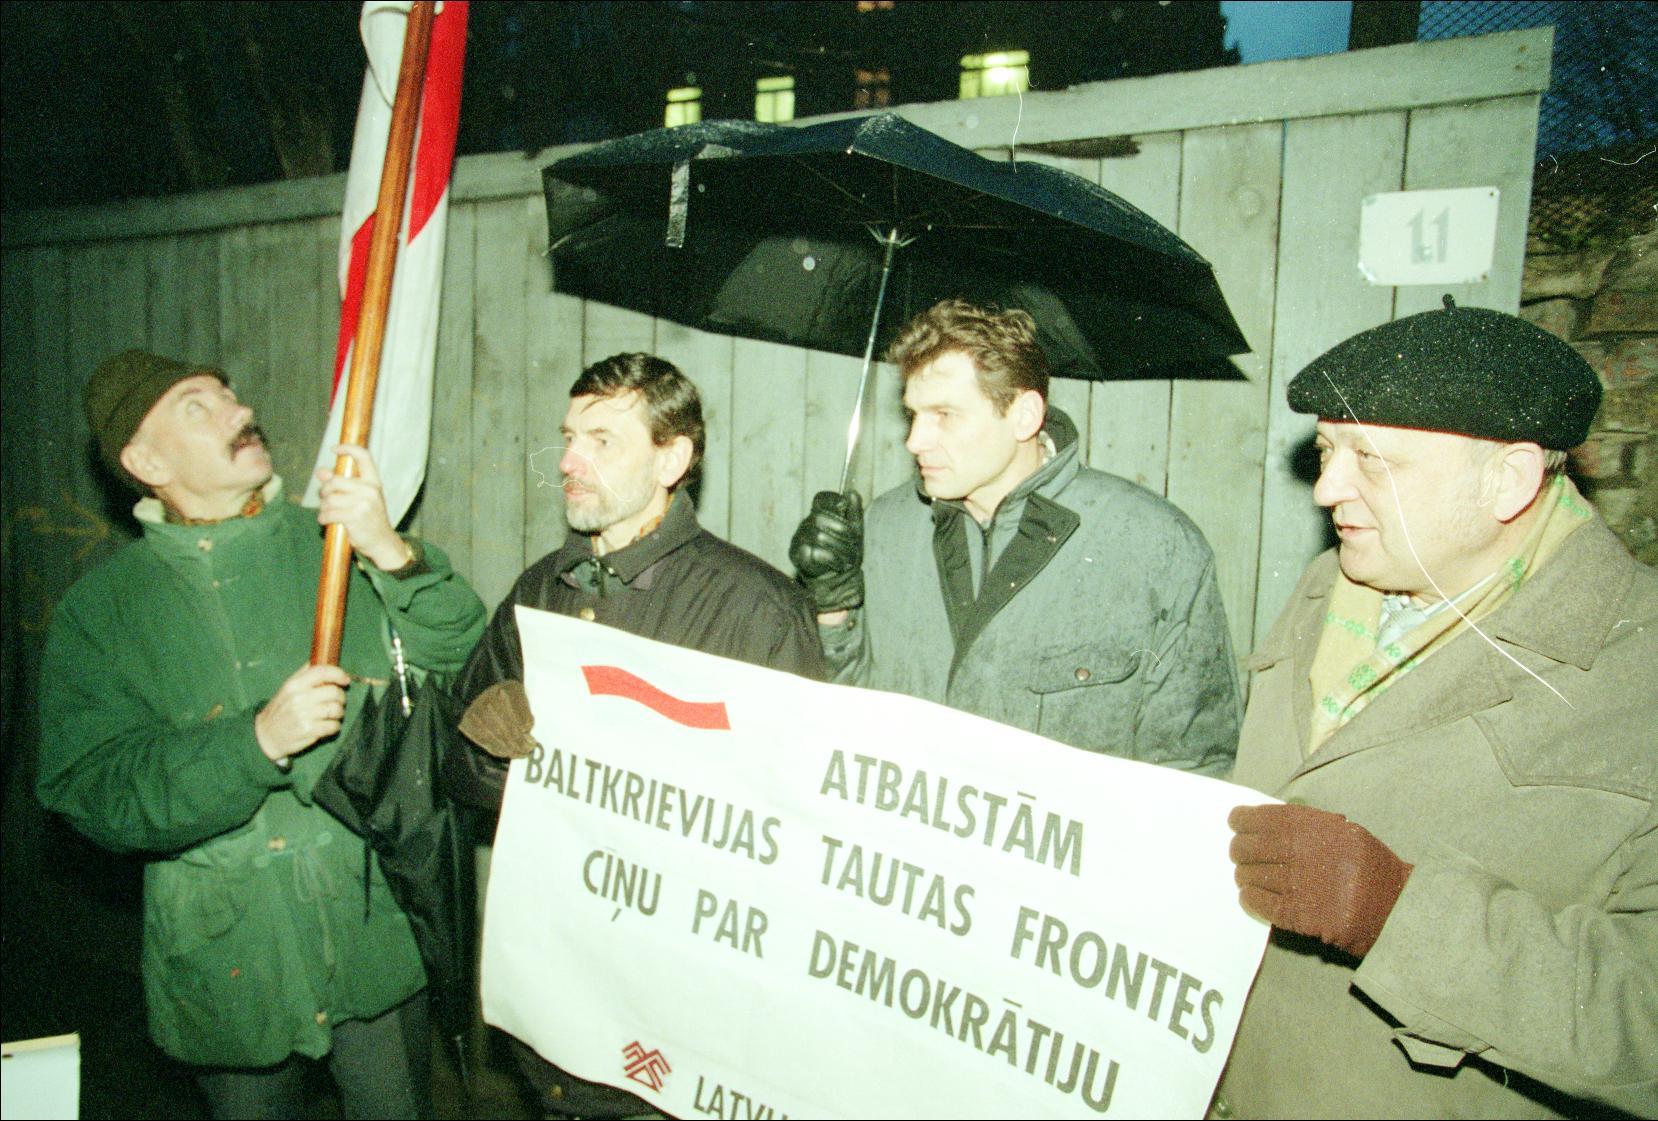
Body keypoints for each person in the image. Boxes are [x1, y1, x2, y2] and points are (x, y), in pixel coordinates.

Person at [1215, 300, 1657, 1118]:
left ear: (1508, 480)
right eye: (1327, 451)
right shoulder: (1329, 585)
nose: (1326, 487)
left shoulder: (1640, 664)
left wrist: (1395, 913)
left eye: (1372, 459)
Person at [35, 350, 486, 1119]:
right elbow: (91, 789)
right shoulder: (101, 610)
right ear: (146, 463)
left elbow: (467, 661)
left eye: (229, 393)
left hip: (371, 937)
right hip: (227, 964)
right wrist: (255, 744)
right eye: (197, 406)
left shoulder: (335, 546)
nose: (239, 410)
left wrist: (391, 550)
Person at [449, 352, 825, 1119]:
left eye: (602, 441)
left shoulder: (757, 609)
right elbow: (458, 773)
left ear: (672, 459)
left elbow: (796, 832)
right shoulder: (540, 591)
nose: (567, 461)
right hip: (555, 1006)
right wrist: (487, 748)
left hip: (681, 1023)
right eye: (568, 437)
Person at [790, 298, 1240, 775]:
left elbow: (1195, 766)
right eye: (913, 414)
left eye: (945, 414)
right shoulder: (884, 527)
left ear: (1024, 415)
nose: (915, 441)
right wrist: (832, 608)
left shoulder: (1157, 547)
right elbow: (842, 721)